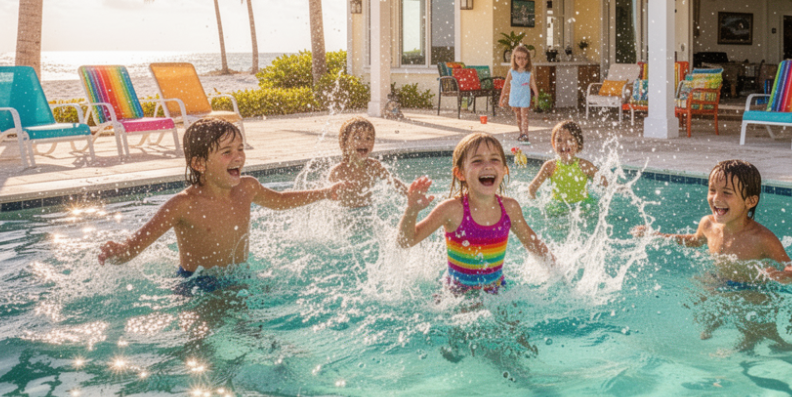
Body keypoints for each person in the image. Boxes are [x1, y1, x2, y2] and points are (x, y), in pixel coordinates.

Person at [98, 119, 341, 276]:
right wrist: (121, 250)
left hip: (239, 275)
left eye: (240, 149)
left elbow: (281, 200)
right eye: (227, 152)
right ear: (199, 164)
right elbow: (138, 243)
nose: (238, 157)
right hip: (197, 285)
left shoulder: (248, 187)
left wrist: (325, 193)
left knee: (254, 332)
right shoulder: (184, 204)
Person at [634, 159, 792, 350]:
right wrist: (657, 235)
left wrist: (783, 275)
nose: (716, 198)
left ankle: (772, 341)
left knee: (757, 325)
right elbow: (693, 241)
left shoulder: (761, 238)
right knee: (702, 292)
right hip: (720, 280)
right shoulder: (707, 224)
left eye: (727, 193)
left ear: (750, 201)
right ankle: (715, 322)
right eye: (712, 190)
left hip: (751, 289)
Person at [398, 132, 555, 292]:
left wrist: (558, 273)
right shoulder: (452, 209)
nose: (488, 166)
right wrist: (412, 210)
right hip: (456, 294)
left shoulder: (510, 208)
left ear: (504, 170)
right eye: (477, 161)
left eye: (494, 159)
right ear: (460, 173)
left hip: (497, 290)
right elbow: (406, 242)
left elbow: (533, 243)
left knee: (515, 317)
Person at [328, 116, 406, 207]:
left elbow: (393, 182)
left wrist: (410, 193)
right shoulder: (338, 171)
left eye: (368, 138)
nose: (364, 142)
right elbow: (328, 196)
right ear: (345, 142)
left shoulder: (374, 165)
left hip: (369, 210)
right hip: (346, 213)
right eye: (357, 138)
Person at [528, 120, 608, 204]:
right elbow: (532, 188)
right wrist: (536, 203)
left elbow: (604, 184)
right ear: (553, 144)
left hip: (581, 208)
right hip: (557, 209)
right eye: (559, 140)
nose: (564, 144)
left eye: (570, 140)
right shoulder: (550, 166)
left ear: (578, 144)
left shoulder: (585, 166)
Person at [499, 44, 536, 144]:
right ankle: (521, 133)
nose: (521, 61)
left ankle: (525, 134)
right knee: (518, 116)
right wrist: (502, 98)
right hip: (515, 96)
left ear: (528, 60)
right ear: (514, 59)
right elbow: (506, 86)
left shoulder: (529, 72)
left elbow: (532, 84)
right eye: (519, 58)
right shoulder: (511, 72)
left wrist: (537, 96)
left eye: (524, 58)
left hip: (524, 96)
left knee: (524, 115)